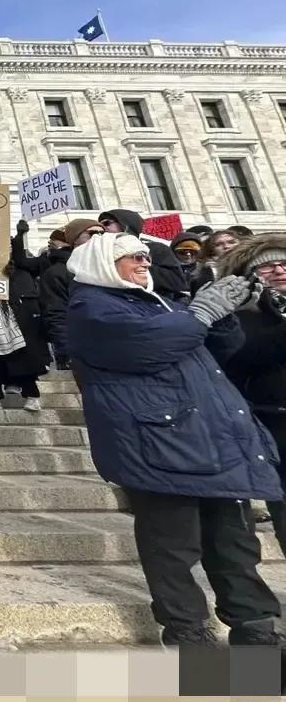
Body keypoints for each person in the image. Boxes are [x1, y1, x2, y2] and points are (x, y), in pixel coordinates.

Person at [65, 232, 282, 648]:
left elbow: (222, 353)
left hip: (209, 436)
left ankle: (256, 631)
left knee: (235, 543)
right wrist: (201, 311)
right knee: (173, 546)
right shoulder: (91, 307)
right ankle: (188, 633)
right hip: (159, 443)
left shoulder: (160, 302)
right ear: (101, 264)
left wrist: (223, 314)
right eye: (133, 257)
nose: (145, 263)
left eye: (146, 256)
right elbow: (151, 345)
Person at [217, 233, 286, 557]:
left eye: (283, 264)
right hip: (274, 418)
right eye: (268, 267)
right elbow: (238, 358)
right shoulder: (239, 313)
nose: (279, 271)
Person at [0, 219, 51, 413]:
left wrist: (20, 237)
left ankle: (31, 393)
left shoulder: (20, 262)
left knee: (22, 352)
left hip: (16, 312)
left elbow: (25, 260)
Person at [39, 219, 103, 370]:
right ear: (74, 239)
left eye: (102, 233)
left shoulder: (115, 266)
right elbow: (56, 314)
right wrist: (67, 352)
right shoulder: (58, 273)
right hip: (83, 350)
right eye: (92, 233)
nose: (98, 237)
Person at [97, 209, 188, 300]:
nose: (102, 228)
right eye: (99, 225)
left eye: (106, 223)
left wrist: (135, 270)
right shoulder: (100, 253)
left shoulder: (156, 249)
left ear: (125, 223)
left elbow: (177, 281)